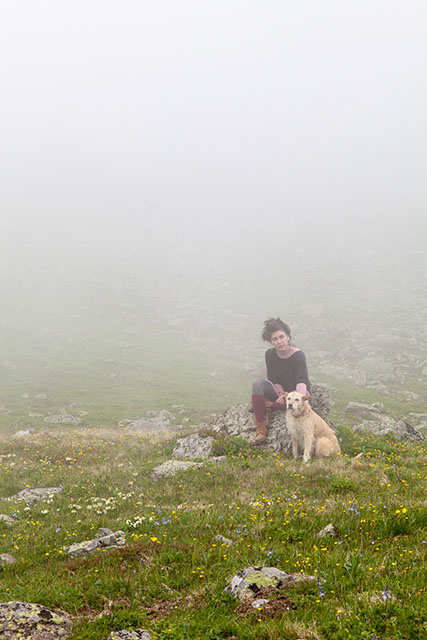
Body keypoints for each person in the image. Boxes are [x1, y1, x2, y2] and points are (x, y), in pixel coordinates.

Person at [251, 317, 311, 443]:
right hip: (280, 393)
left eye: (281, 337)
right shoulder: (270, 355)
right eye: (275, 339)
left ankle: (268, 405)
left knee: (301, 401)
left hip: (297, 393)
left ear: (288, 336)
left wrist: (290, 397)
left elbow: (302, 382)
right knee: (257, 384)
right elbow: (272, 378)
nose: (279, 341)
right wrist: (281, 394)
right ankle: (261, 427)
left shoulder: (298, 355)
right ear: (271, 342)